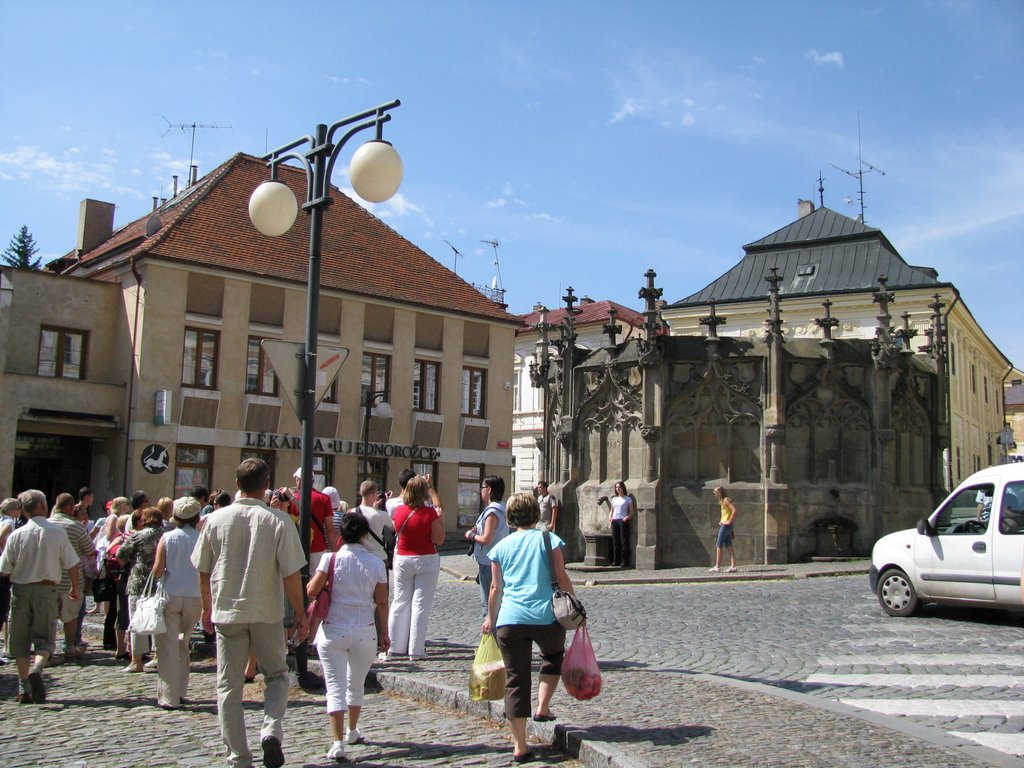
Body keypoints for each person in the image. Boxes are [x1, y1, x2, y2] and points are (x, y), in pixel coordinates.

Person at [192, 458, 308, 768]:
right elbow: (291, 575)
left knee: (228, 685)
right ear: (265, 485)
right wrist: (300, 612)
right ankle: (270, 729)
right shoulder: (278, 521)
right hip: (266, 611)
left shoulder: (215, 520)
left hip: (227, 610)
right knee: (277, 675)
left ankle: (239, 758)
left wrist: (206, 607)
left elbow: (203, 570)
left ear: (237, 482)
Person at [483, 492, 579, 763]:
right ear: (536, 514)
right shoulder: (549, 539)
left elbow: (495, 588)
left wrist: (490, 618)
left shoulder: (500, 547)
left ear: (511, 518)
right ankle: (542, 707)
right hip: (547, 616)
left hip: (511, 619)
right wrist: (575, 604)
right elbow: (561, 577)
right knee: (552, 657)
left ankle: (519, 746)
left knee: (516, 679)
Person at [307, 511, 390, 761]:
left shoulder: (330, 559)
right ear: (364, 536)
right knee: (356, 684)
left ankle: (337, 742)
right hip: (364, 627)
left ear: (341, 535)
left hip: (334, 627)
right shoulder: (376, 563)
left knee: (335, 686)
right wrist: (384, 632)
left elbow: (311, 590)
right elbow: (383, 602)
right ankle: (352, 729)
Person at [0, 490, 80, 704]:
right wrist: (75, 588)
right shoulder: (56, 532)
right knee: (45, 640)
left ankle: (23, 686)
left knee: (19, 641)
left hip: (20, 590)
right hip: (47, 590)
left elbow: (4, 569)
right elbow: (72, 563)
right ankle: (37, 667)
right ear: (43, 507)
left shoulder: (17, 535)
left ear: (24, 511)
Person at [150, 496, 203, 709]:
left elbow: (158, 569)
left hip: (171, 594)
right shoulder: (201, 538)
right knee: (183, 643)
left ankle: (169, 696)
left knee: (167, 646)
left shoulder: (168, 538)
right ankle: (181, 690)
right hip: (194, 595)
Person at [387, 475, 444, 661]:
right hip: (426, 558)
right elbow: (439, 539)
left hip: (403, 557)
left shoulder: (399, 511)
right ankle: (416, 649)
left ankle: (395, 646)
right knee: (420, 604)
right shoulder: (429, 513)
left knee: (400, 601)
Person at [117, 505, 164, 672]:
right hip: (161, 582)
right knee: (159, 620)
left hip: (139, 581)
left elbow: (120, 555)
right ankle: (158, 656)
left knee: (137, 621)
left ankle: (136, 660)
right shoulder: (166, 535)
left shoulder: (137, 536)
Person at [49, 492, 96, 660]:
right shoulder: (75, 526)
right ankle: (69, 647)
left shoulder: (47, 524)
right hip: (71, 579)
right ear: (70, 507)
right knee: (70, 616)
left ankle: (48, 649)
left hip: (50, 577)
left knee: (49, 617)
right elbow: (90, 550)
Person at [465, 475, 509, 616]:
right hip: (497, 560)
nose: (480, 491)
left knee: (489, 605)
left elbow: (487, 539)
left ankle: (491, 635)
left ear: (489, 490)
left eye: (482, 487)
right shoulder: (502, 507)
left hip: (488, 562)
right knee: (497, 602)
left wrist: (471, 535)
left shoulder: (492, 511)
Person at [0, 497, 26, 662]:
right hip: (3, 569)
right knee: (2, 609)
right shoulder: (8, 521)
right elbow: (3, 537)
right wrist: (5, 554)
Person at [598, 480, 634, 568]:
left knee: (623, 541)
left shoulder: (627, 499)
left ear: (623, 488)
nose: (618, 489)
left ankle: (624, 560)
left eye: (619, 487)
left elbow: (631, 512)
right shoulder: (614, 499)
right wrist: (610, 517)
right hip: (614, 520)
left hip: (622, 520)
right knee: (615, 542)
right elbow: (612, 510)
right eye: (617, 487)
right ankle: (616, 560)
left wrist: (626, 518)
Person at [708, 486, 738, 574]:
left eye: (715, 491)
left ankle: (717, 566)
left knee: (719, 544)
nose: (714, 493)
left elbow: (734, 510)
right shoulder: (723, 501)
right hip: (726, 525)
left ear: (720, 492)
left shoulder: (726, 500)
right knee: (728, 545)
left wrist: (728, 522)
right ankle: (733, 566)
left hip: (725, 526)